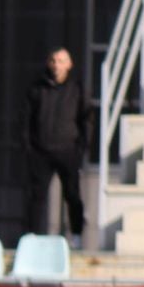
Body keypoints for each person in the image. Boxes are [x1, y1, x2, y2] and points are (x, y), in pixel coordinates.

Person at [24, 45, 95, 242]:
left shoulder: (77, 89)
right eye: (53, 61)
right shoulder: (37, 89)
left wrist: (82, 147)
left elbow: (86, 119)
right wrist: (29, 147)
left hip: (68, 151)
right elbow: (26, 119)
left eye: (61, 61)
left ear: (69, 64)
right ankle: (32, 237)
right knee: (36, 196)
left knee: (72, 194)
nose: (57, 65)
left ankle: (77, 236)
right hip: (41, 151)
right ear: (48, 63)